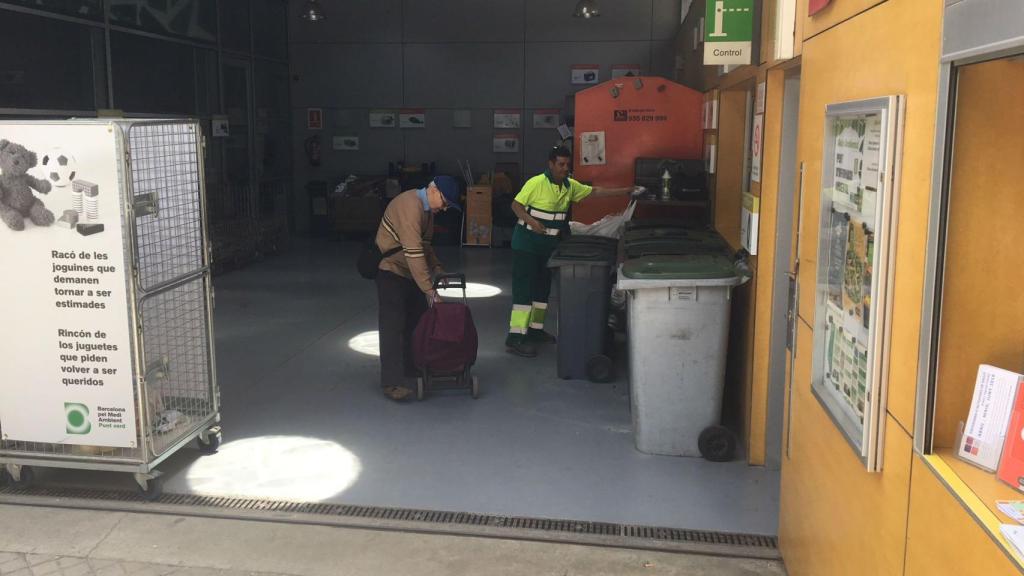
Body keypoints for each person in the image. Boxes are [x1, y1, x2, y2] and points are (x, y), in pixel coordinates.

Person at [505, 147, 643, 357]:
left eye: (567, 165)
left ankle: (535, 330)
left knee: (542, 290)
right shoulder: (536, 183)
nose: (564, 168)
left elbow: (595, 192)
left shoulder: (569, 186)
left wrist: (627, 190)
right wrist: (532, 222)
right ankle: (515, 338)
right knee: (524, 290)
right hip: (527, 244)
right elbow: (516, 206)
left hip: (548, 246)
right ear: (551, 164)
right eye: (560, 164)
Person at [375, 176, 461, 401]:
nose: (444, 208)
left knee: (418, 321)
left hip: (410, 274)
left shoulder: (427, 212)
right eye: (445, 202)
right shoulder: (409, 205)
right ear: (433, 190)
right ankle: (392, 382)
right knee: (393, 326)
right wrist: (430, 291)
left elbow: (425, 247)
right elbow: (413, 253)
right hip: (391, 272)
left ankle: (414, 367)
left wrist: (437, 268)